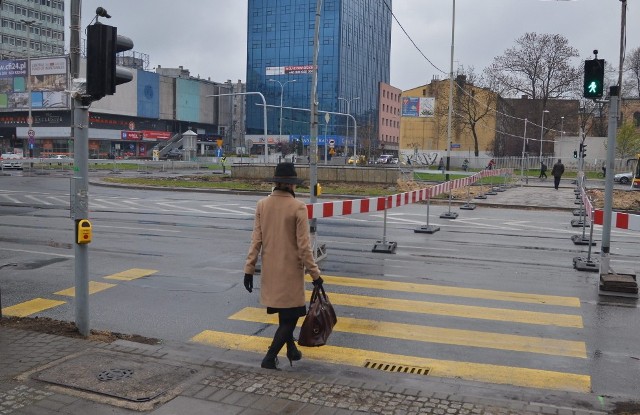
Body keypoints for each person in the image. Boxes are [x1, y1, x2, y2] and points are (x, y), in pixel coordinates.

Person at [243, 162, 323, 370]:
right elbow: (305, 248)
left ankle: (291, 350)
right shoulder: (298, 207)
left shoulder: (262, 204)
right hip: (290, 273)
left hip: (270, 271)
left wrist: (249, 269)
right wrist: (315, 275)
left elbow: (256, 241)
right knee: (292, 317)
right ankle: (269, 357)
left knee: (283, 313)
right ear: (290, 185)